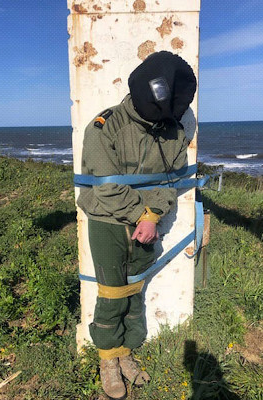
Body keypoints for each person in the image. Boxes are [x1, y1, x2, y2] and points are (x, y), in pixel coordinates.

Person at [77, 51, 197, 400]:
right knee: (112, 291)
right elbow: (107, 186)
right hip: (107, 219)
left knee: (134, 288)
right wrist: (140, 215)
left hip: (147, 223)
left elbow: (169, 180)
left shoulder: (173, 132)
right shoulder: (104, 126)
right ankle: (107, 359)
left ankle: (126, 351)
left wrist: (153, 215)